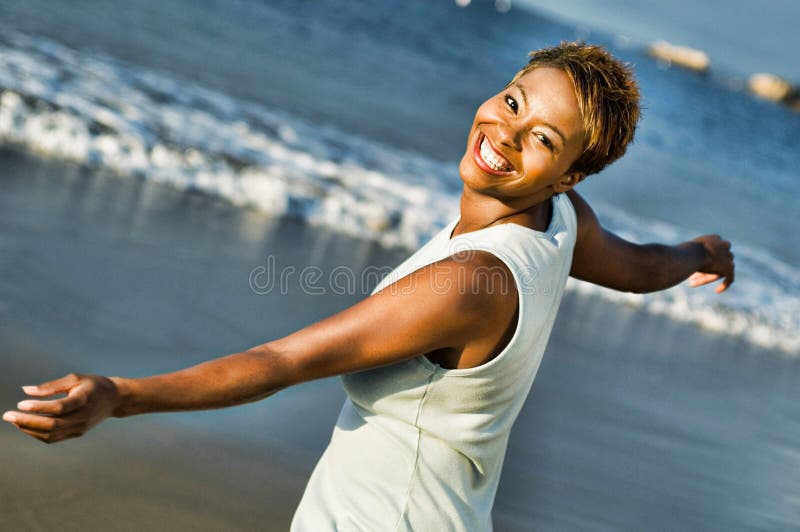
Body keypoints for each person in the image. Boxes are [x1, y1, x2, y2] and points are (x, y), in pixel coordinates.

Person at [2, 42, 734, 530]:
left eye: (542, 138)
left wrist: (121, 396)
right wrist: (701, 251)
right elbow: (642, 267)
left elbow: (282, 362)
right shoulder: (559, 221)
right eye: (514, 102)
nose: (507, 133)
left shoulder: (472, 283)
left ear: (569, 172)